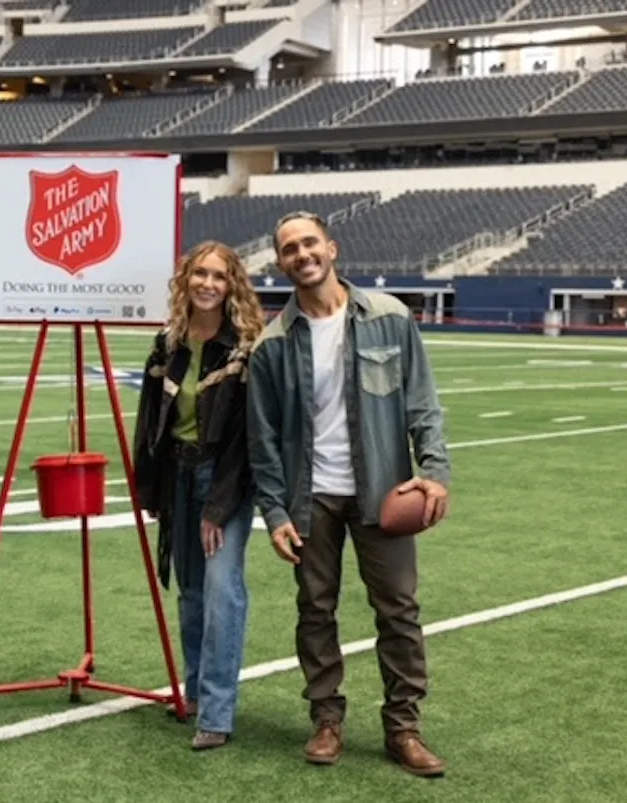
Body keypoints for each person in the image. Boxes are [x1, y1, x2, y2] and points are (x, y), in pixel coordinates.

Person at [246, 211, 451, 776]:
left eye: (309, 242)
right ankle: (326, 719)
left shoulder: (389, 317)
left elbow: (423, 403)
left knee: (399, 611)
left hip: (383, 489)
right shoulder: (272, 345)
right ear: (281, 262)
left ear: (331, 248)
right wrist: (274, 511)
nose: (301, 254)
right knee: (315, 610)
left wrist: (434, 469)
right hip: (309, 497)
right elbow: (261, 442)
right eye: (289, 248)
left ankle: (404, 728)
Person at [132, 240, 266, 751]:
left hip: (223, 478)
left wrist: (219, 506)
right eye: (199, 274)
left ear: (232, 285)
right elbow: (150, 419)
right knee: (189, 594)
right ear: (185, 280)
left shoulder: (245, 346)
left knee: (221, 589)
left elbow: (247, 438)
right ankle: (193, 692)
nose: (208, 284)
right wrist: (150, 487)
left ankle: (216, 711)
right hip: (178, 476)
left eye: (219, 275)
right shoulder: (169, 343)